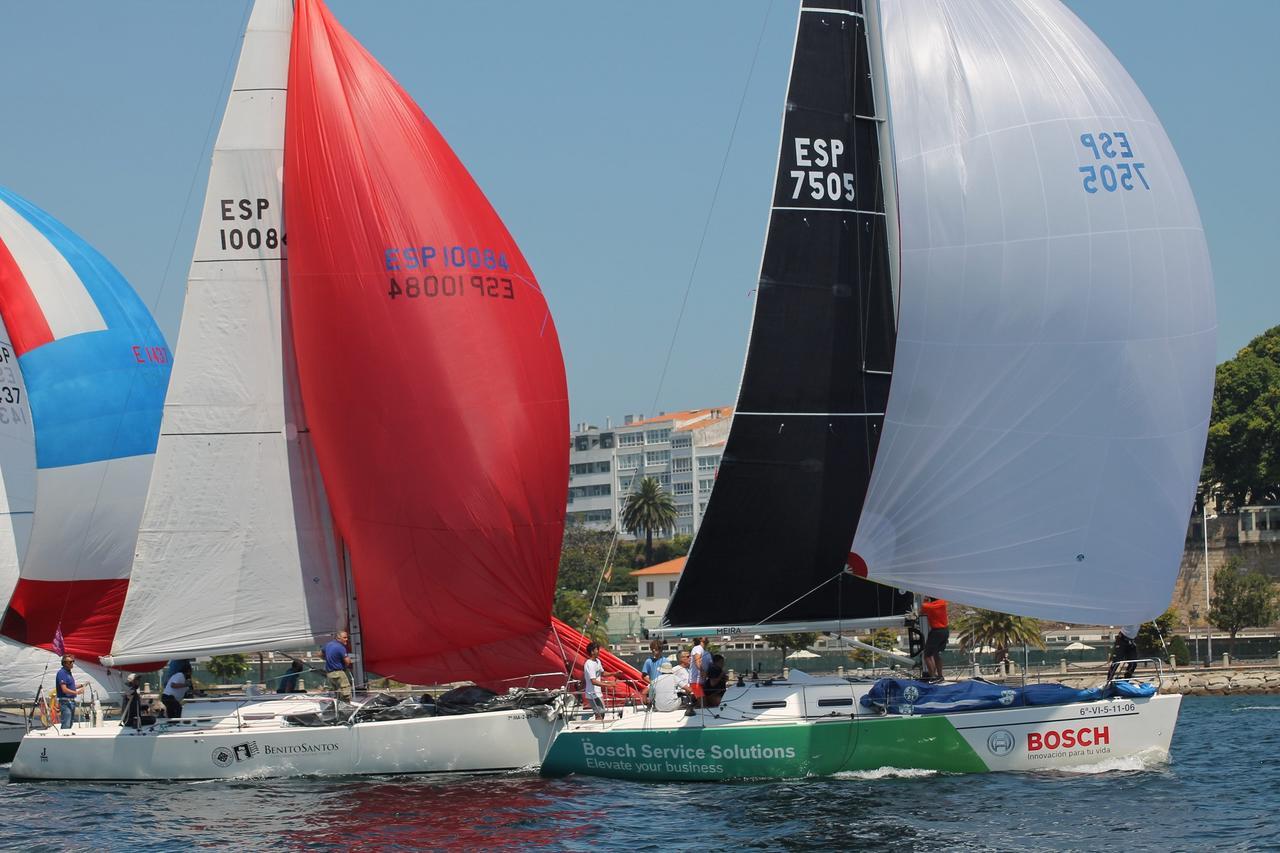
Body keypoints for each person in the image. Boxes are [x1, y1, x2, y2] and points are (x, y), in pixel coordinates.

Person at [582, 641, 615, 721]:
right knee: (599, 715)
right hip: (592, 694)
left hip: (598, 693)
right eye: (597, 649)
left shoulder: (597, 661)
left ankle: (599, 729)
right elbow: (593, 681)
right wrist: (609, 685)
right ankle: (597, 731)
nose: (599, 651)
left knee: (602, 713)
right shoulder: (589, 664)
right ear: (592, 651)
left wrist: (615, 673)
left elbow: (602, 673)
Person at [921, 597, 950, 683]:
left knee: (927, 655)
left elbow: (921, 612)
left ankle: (933, 677)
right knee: (936, 654)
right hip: (945, 630)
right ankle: (940, 676)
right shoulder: (943, 602)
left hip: (936, 631)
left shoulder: (928, 606)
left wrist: (925, 600)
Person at [55, 654, 85, 729]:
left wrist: (81, 685)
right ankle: (63, 739)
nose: (72, 663)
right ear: (65, 663)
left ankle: (67, 739)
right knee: (66, 724)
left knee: (70, 723)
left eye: (73, 661)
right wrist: (77, 692)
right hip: (65, 702)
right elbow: (64, 689)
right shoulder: (62, 673)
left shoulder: (68, 673)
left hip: (71, 702)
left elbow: (70, 687)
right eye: (70, 662)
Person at [323, 630, 354, 701]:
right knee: (346, 692)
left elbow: (319, 654)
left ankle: (338, 708)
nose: (347, 639)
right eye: (345, 638)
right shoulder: (341, 647)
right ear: (338, 638)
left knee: (338, 693)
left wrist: (328, 659)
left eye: (347, 637)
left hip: (330, 674)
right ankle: (346, 707)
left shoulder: (328, 644)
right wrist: (346, 665)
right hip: (338, 673)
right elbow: (347, 661)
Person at [689, 637, 709, 702]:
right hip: (695, 681)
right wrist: (703, 672)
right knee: (702, 702)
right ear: (700, 639)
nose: (707, 636)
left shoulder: (705, 651)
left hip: (702, 681)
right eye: (704, 636)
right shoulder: (697, 648)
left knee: (704, 702)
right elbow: (697, 662)